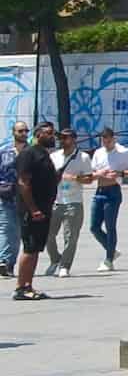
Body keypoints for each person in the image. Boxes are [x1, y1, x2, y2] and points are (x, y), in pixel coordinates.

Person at [11, 123, 59, 301]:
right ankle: (20, 288)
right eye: (48, 133)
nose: (52, 136)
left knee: (37, 248)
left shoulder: (44, 154)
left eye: (52, 133)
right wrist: (33, 209)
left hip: (44, 209)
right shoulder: (29, 154)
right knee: (30, 248)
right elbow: (23, 183)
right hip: (32, 210)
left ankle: (28, 285)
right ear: (38, 134)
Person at [89, 126, 128, 270]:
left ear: (114, 139)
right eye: (104, 141)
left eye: (109, 141)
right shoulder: (98, 152)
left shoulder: (123, 152)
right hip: (99, 190)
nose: (106, 144)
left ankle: (108, 259)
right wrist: (99, 174)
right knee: (94, 227)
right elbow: (92, 171)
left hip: (113, 191)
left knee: (110, 226)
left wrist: (120, 174)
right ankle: (111, 249)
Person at [47, 127, 91, 278]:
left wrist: (75, 178)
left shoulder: (83, 157)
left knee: (70, 236)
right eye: (61, 138)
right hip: (55, 200)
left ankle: (65, 265)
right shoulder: (54, 156)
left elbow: (89, 178)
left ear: (74, 139)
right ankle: (55, 259)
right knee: (48, 234)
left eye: (66, 138)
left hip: (73, 201)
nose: (62, 141)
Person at [0, 120, 23, 278]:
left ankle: (10, 263)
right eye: (20, 131)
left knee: (17, 233)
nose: (23, 134)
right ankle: (3, 261)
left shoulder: (31, 151)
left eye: (25, 131)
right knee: (6, 229)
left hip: (25, 198)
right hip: (6, 196)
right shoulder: (4, 151)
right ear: (13, 133)